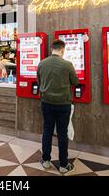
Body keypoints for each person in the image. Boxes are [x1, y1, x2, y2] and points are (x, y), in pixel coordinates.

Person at [37, 39, 79, 174]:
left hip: (46, 103)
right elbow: (75, 82)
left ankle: (46, 161)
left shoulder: (42, 63)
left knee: (47, 131)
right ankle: (63, 164)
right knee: (62, 133)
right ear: (62, 50)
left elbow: (39, 81)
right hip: (63, 104)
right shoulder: (67, 64)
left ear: (51, 49)